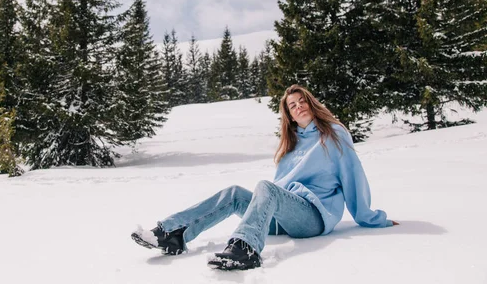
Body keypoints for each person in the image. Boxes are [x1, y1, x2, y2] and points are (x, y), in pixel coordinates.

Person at [131, 84, 398, 271]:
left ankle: (246, 249)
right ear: (289, 115)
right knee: (235, 193)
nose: (298, 106)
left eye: (302, 100)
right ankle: (173, 233)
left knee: (265, 187)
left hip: (314, 217)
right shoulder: (290, 145)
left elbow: (354, 177)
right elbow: (277, 191)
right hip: (283, 216)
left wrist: (370, 217)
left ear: (312, 103)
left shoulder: (334, 134)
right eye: (292, 105)